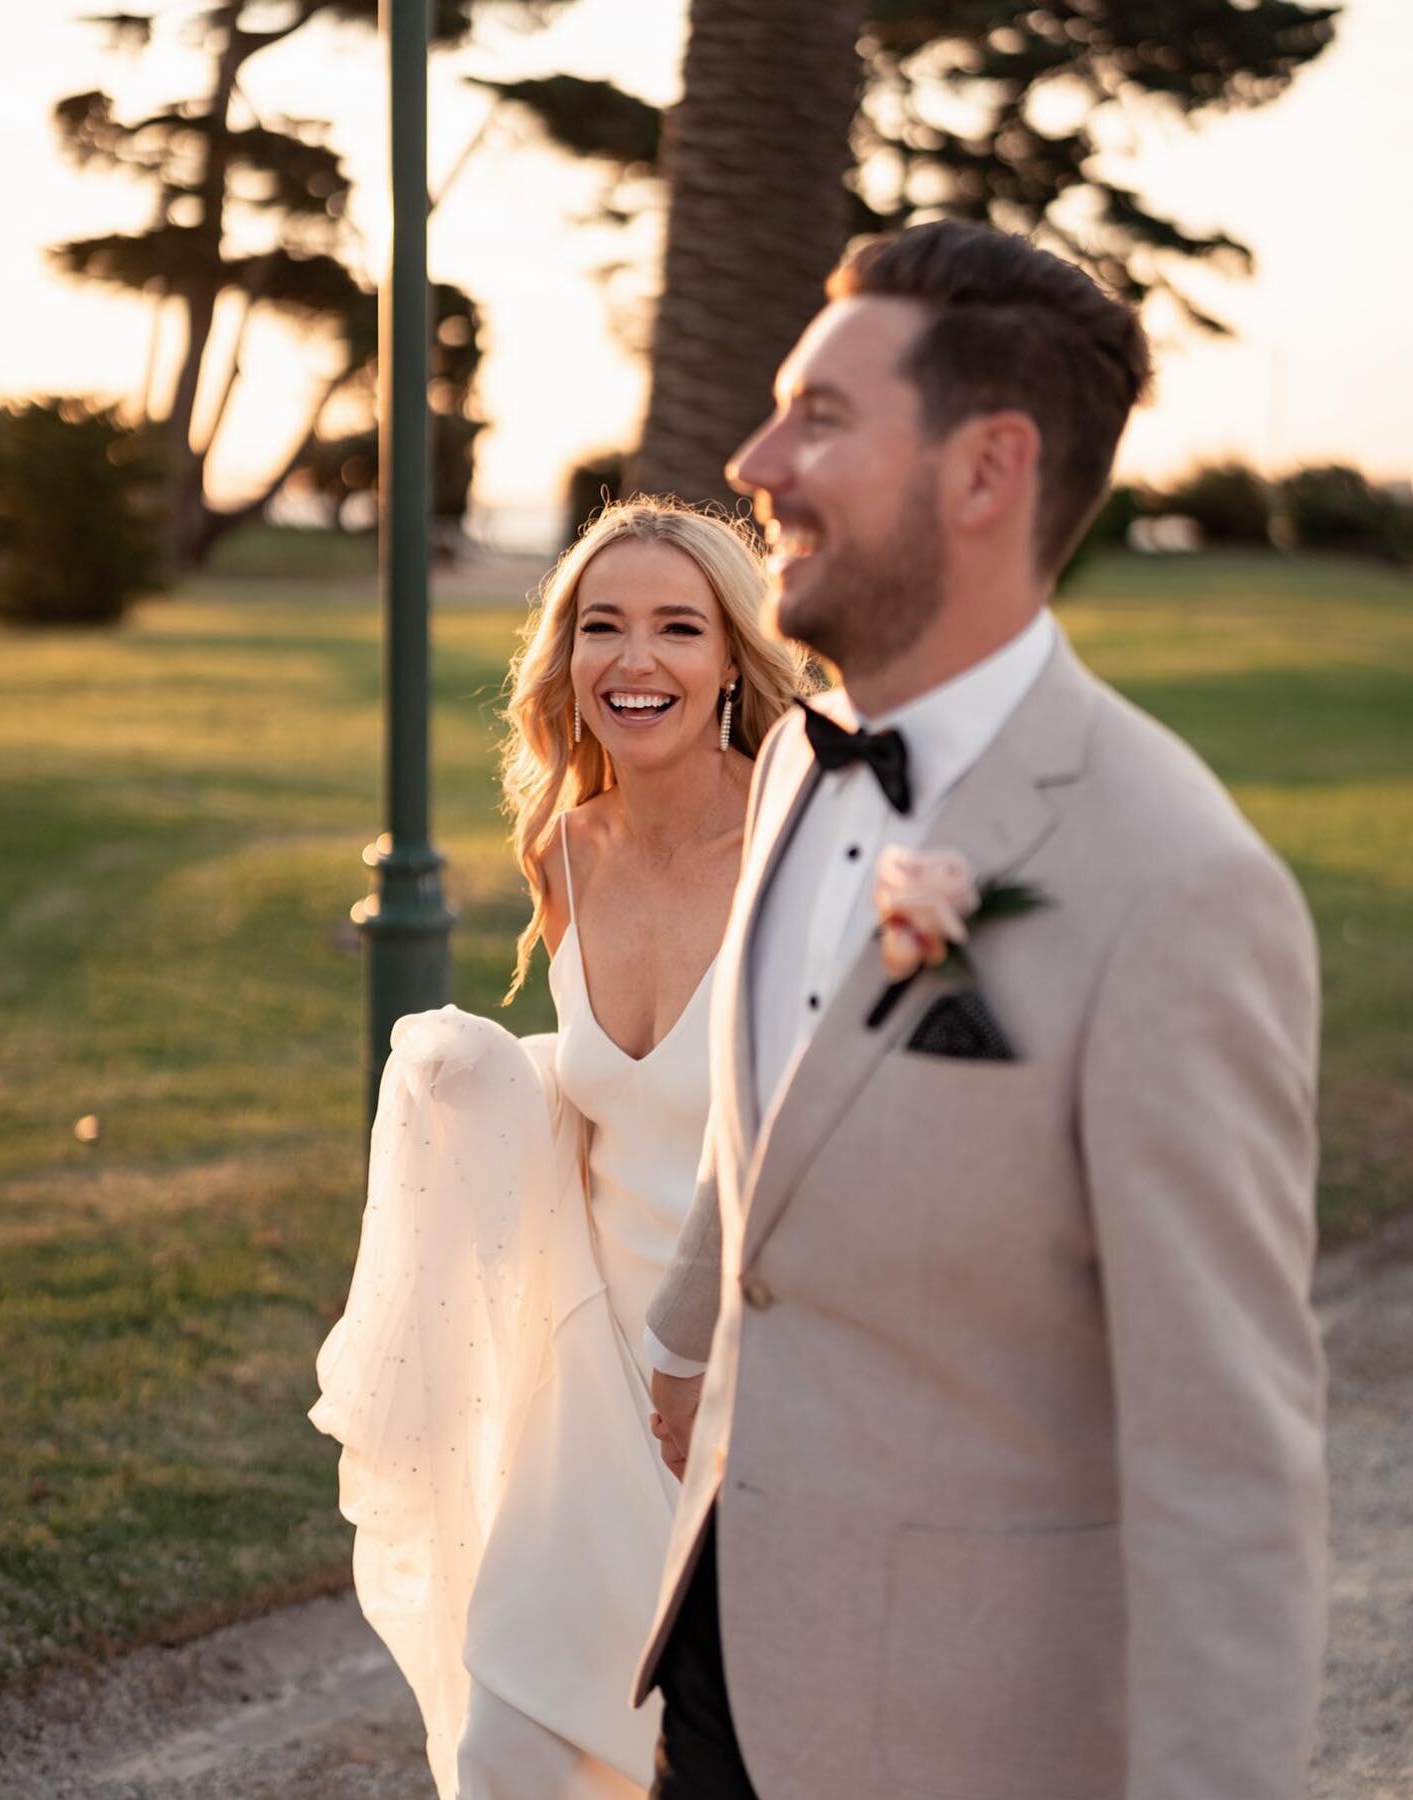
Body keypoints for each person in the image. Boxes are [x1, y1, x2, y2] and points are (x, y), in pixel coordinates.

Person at [637, 221, 1327, 1800]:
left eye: (820, 418)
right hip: (718, 1657)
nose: (754, 461)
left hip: (964, 1735)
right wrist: (686, 1333)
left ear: (986, 469)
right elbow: (788, 1101)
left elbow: (1231, 1467)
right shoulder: (804, 757)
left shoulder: (1178, 886)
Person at [311, 497, 805, 1797]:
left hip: (752, 1383)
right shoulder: (564, 848)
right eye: (602, 626)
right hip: (588, 1370)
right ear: (564, 660)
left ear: (732, 665)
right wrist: (481, 1083)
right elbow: (607, 1099)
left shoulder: (797, 848)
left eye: (677, 628)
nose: (635, 660)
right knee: (516, 1744)